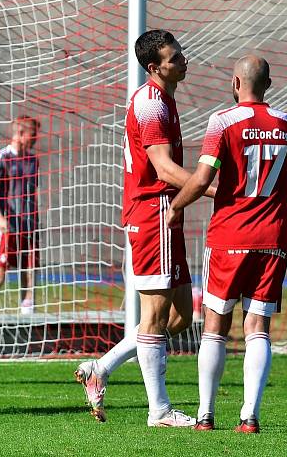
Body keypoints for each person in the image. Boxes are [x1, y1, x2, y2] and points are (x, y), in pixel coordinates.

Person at [75, 30, 214, 426]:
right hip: (153, 213)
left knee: (181, 316)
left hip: (167, 213)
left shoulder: (163, 99)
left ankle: (100, 368)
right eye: (174, 58)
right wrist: (214, 187)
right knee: (153, 316)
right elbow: (164, 169)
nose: (183, 61)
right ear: (154, 67)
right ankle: (160, 411)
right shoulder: (151, 104)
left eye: (181, 54)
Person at [166, 55, 287, 433]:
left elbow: (201, 178)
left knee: (215, 324)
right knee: (257, 326)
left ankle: (206, 415)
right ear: (269, 84)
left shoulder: (222, 122)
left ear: (235, 83)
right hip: (272, 236)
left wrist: (176, 206)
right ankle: (249, 416)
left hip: (230, 235)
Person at [0, 116, 40, 316]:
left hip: (29, 225)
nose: (36, 138)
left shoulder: (33, 160)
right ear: (20, 134)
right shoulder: (2, 158)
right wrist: (0, 219)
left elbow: (32, 192)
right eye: (33, 134)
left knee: (29, 270)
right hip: (7, 227)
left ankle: (27, 311)